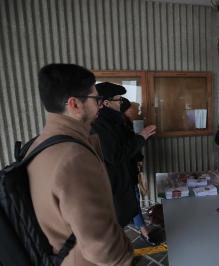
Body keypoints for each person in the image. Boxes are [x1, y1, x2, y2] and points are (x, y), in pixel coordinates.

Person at [27, 64, 133, 266]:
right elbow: (102, 246)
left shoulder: (39, 144)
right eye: (96, 99)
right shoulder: (74, 158)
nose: (100, 105)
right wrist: (125, 258)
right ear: (74, 104)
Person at [92, 82, 156, 228]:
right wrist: (141, 137)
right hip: (115, 182)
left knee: (130, 206)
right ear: (106, 103)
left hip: (126, 176)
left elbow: (127, 144)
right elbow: (115, 155)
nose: (121, 102)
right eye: (118, 99)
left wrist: (141, 140)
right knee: (118, 218)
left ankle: (140, 231)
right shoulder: (100, 124)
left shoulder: (115, 120)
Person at [119, 97, 159, 245]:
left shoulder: (126, 123)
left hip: (130, 168)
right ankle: (144, 232)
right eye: (133, 108)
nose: (136, 111)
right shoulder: (119, 126)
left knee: (133, 198)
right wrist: (141, 137)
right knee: (134, 199)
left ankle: (138, 226)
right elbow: (128, 149)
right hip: (124, 172)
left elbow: (133, 147)